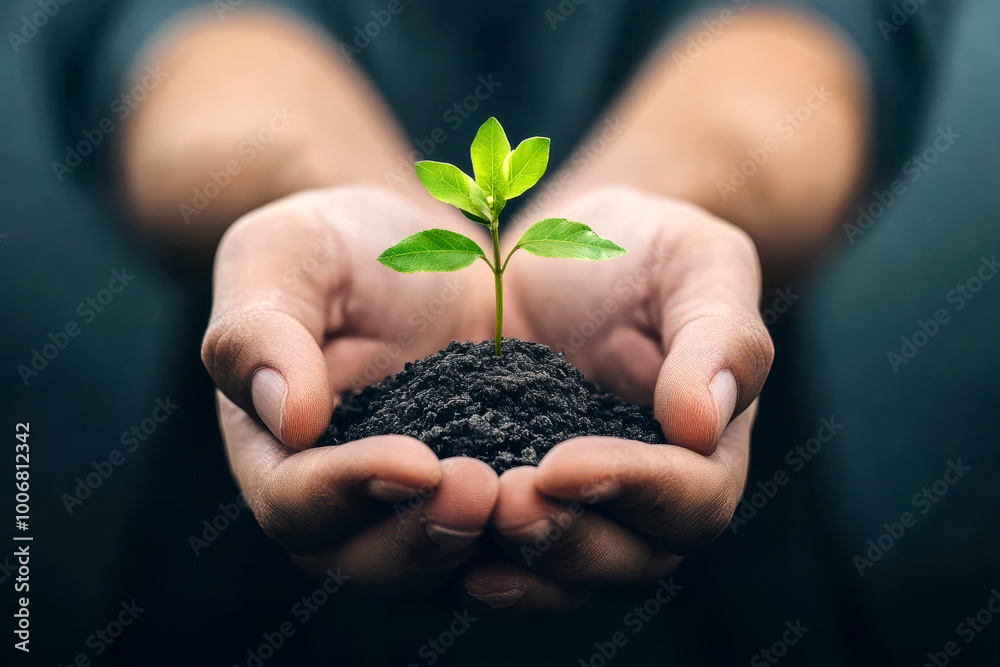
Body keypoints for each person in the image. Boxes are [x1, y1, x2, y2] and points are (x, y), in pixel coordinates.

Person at [7, 0, 995, 664]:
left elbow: (822, 33)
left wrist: (650, 202)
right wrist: (314, 191)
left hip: (717, 577)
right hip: (247, 571)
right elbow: (162, 33)